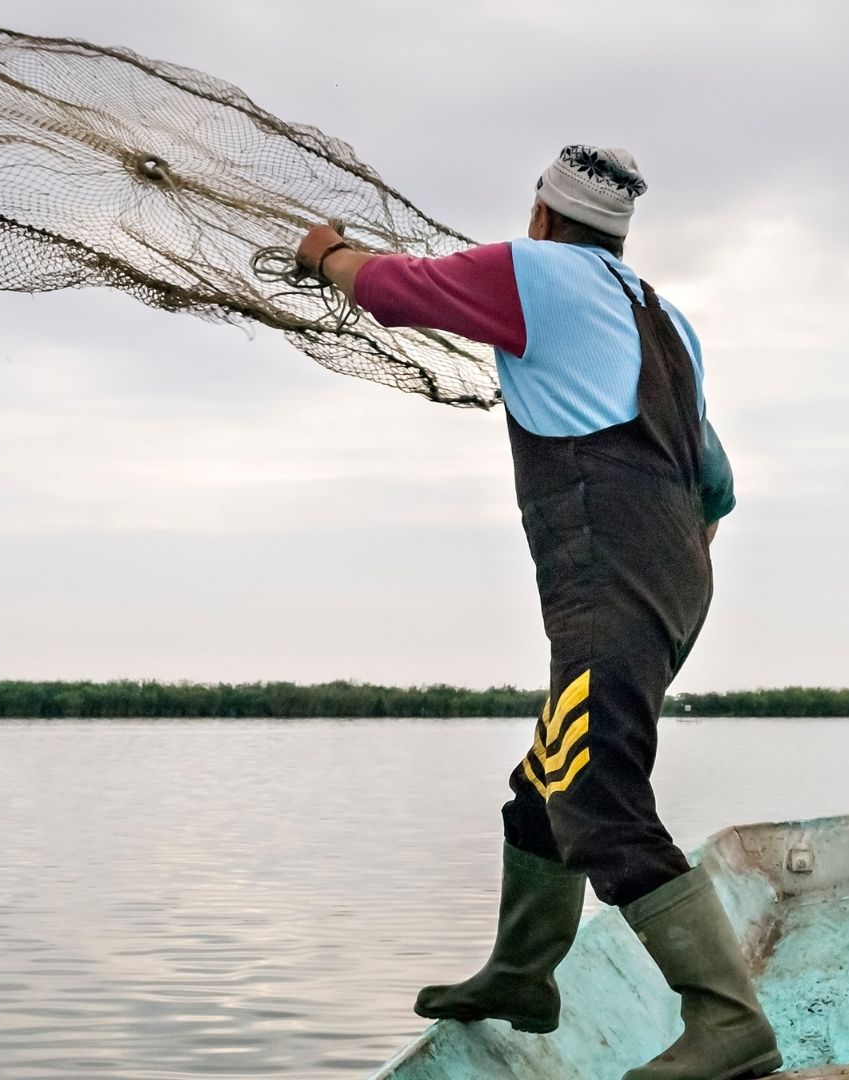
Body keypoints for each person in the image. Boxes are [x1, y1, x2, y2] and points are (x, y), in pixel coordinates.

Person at [294, 145, 779, 1080]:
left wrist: (325, 255)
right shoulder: (664, 318)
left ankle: (731, 1025)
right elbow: (715, 484)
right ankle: (523, 976)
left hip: (610, 579)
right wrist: (662, 575)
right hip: (673, 578)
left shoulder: (530, 269)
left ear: (544, 216)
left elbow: (390, 290)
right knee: (546, 783)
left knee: (598, 795)